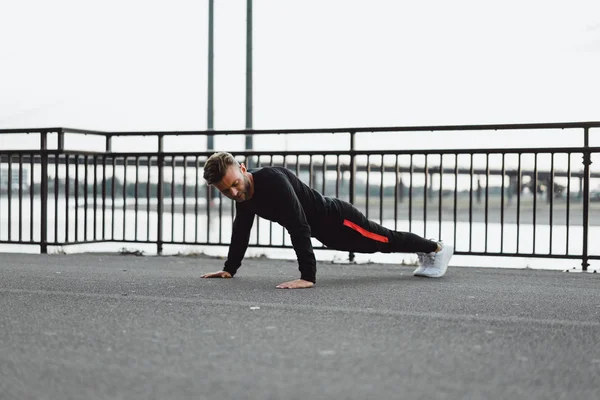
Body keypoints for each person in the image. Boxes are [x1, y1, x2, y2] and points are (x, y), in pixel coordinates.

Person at [200, 152, 453, 289]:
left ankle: (437, 248)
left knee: (385, 240)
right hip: (326, 233)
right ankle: (428, 250)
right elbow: (241, 229)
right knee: (379, 244)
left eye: (234, 184)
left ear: (243, 169)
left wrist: (307, 277)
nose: (234, 193)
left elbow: (298, 226)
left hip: (339, 220)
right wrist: (229, 269)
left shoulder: (272, 182)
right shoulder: (243, 195)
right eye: (225, 191)